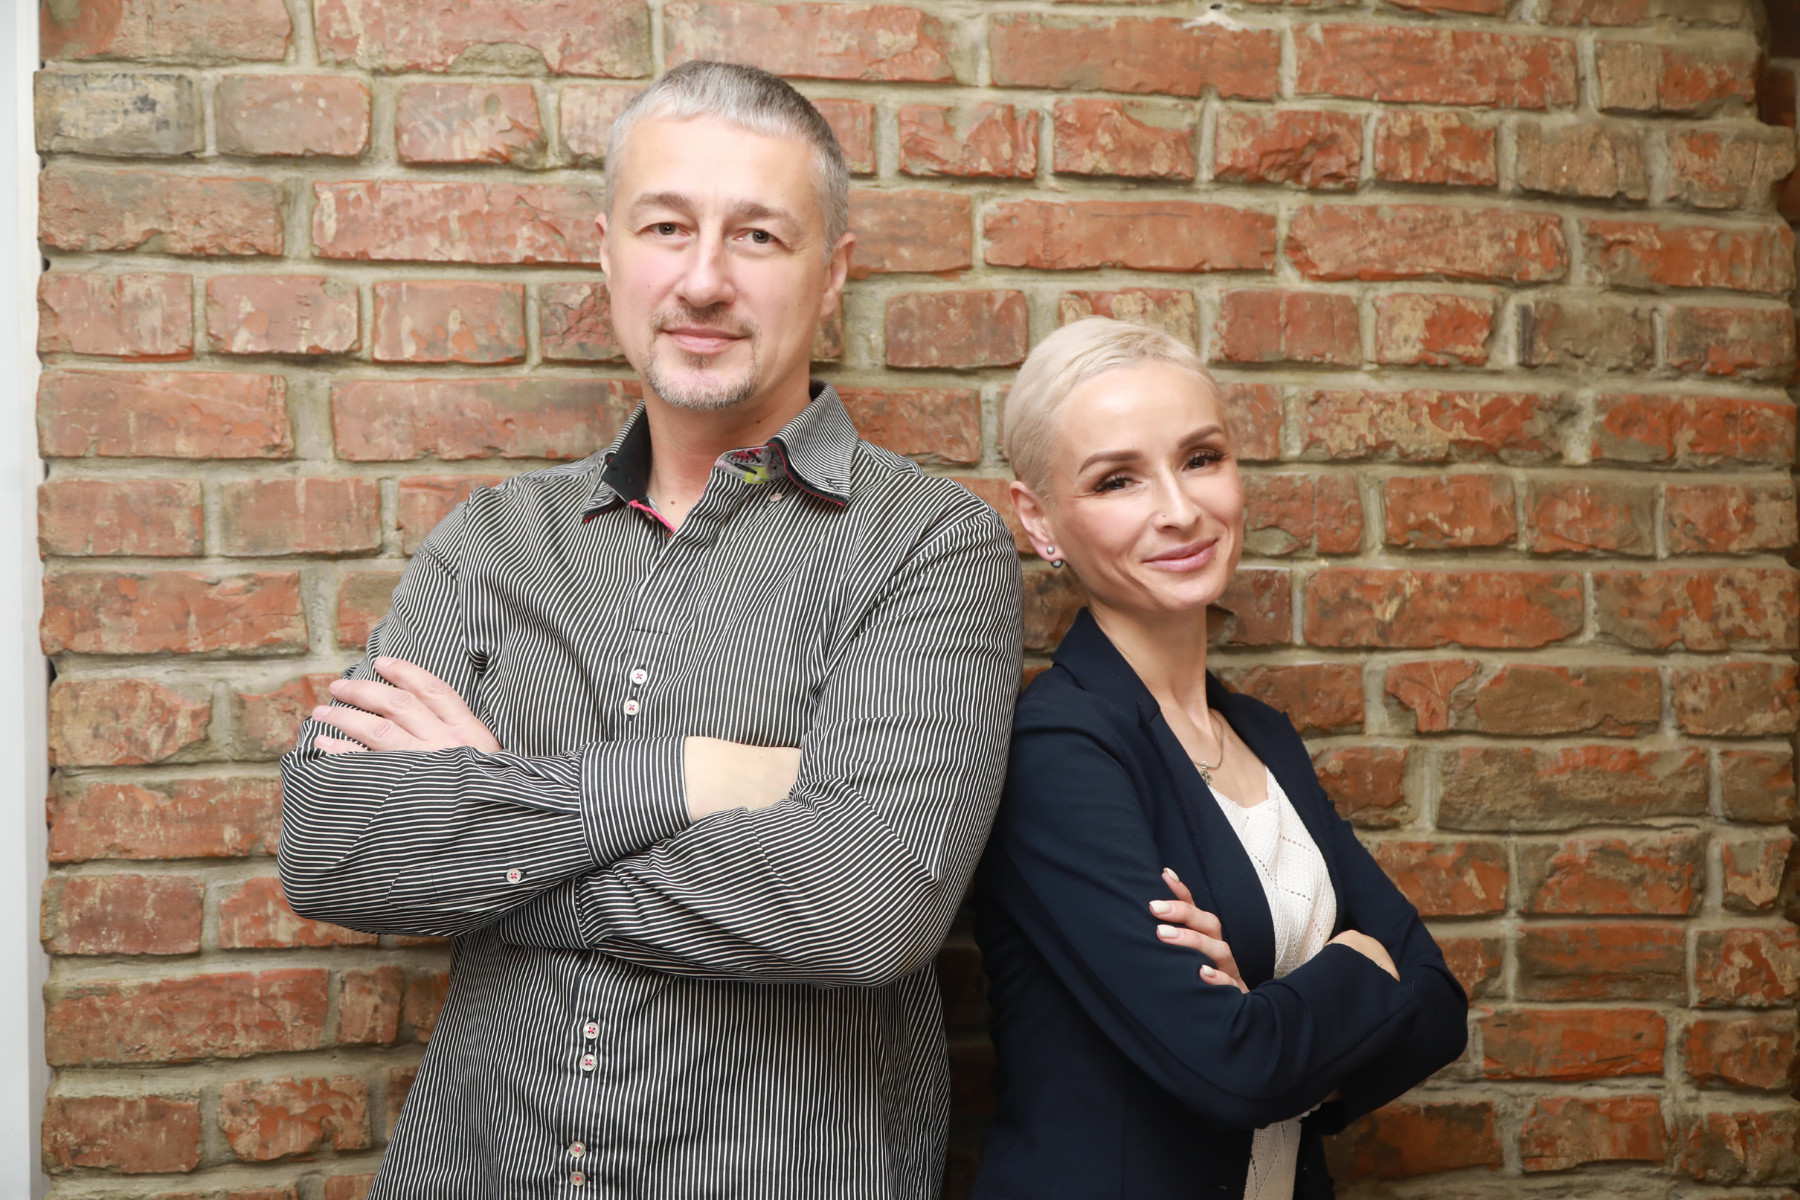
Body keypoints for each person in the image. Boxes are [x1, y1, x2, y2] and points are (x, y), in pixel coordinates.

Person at [278, 60, 1022, 1199]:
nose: (704, 280)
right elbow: (331, 843)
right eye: (667, 226)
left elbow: (865, 906)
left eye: (758, 236)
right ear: (608, 252)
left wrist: (490, 826)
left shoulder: (928, 546)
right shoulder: (494, 541)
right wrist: (687, 778)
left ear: (832, 276)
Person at [971, 318, 1467, 1200]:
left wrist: (1274, 1025)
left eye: (1200, 458)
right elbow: (1234, 1069)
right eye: (1118, 479)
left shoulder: (1262, 735)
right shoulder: (1057, 749)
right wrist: (1358, 961)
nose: (1179, 509)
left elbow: (1438, 1003)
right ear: (1039, 519)